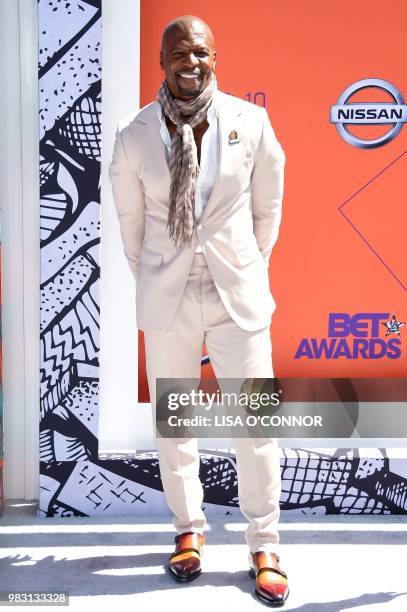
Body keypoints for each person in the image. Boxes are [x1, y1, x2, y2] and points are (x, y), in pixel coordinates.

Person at [109, 14, 289, 606]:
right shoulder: (134, 136)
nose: (191, 64)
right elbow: (132, 230)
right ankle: (188, 530)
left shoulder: (252, 123)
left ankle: (265, 543)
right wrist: (164, 275)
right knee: (175, 423)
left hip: (239, 294)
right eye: (179, 55)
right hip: (170, 295)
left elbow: (268, 211)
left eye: (201, 54)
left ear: (216, 58)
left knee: (257, 422)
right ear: (161, 63)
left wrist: (240, 265)